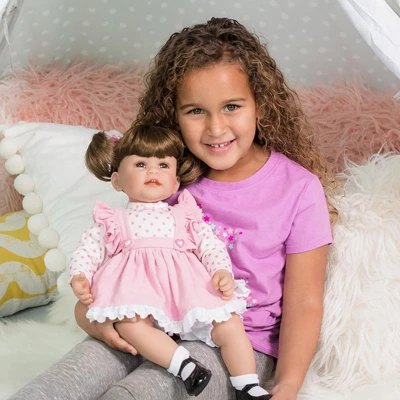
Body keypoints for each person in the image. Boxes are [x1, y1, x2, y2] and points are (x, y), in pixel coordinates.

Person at [10, 17, 338, 400]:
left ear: (261, 106)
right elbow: (120, 261)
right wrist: (89, 317)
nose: (216, 128)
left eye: (232, 106)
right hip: (150, 323)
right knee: (64, 380)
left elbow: (304, 301)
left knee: (139, 394)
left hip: (237, 345)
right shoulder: (167, 177)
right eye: (196, 111)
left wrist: (288, 385)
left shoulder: (299, 189)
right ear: (173, 114)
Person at [69, 124, 269, 399]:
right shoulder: (113, 220)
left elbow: (209, 245)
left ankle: (247, 385)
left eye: (163, 165)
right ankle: (185, 366)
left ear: (175, 182)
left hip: (186, 294)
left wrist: (221, 270)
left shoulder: (184, 215)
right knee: (130, 326)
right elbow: (88, 249)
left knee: (229, 323)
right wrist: (80, 276)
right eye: (140, 164)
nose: (152, 171)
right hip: (138, 296)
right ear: (117, 181)